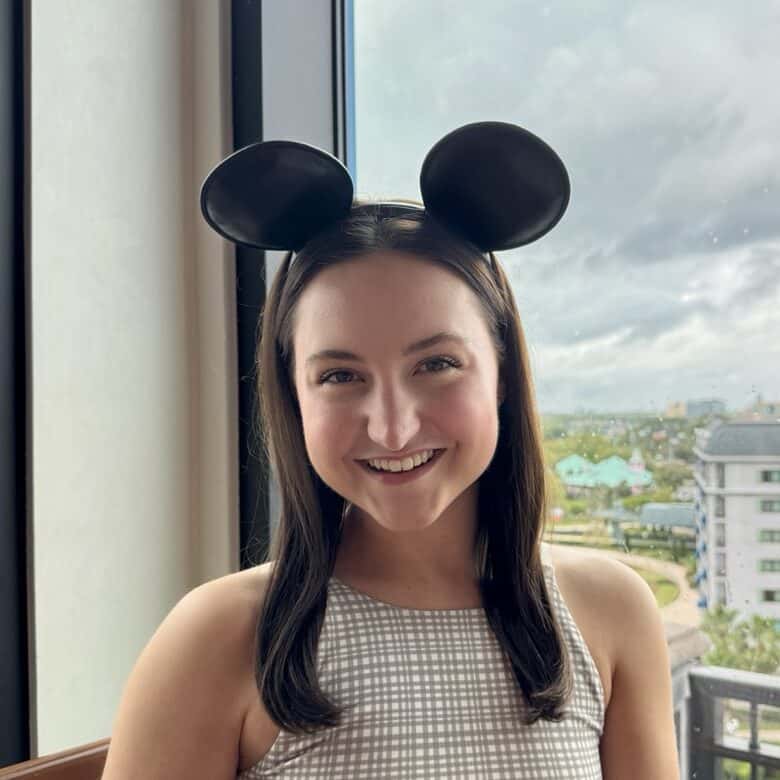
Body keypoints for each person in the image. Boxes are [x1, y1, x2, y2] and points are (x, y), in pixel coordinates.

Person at [100, 122, 680, 779]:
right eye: (340, 376)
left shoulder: (610, 611)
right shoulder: (219, 636)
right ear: (294, 397)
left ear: (503, 374)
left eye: (436, 364)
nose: (394, 429)